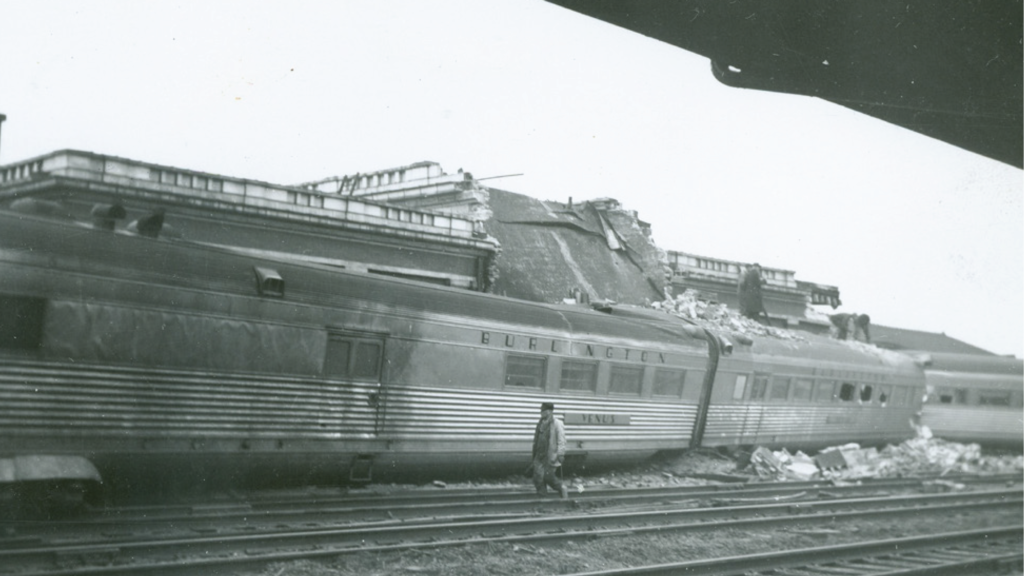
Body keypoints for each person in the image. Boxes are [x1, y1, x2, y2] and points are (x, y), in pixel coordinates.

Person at [531, 402, 567, 498]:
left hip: (550, 455)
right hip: (539, 455)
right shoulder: (540, 423)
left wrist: (561, 453)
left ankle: (562, 489)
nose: (542, 413)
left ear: (550, 412)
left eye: (544, 411)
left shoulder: (557, 423)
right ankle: (542, 497)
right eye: (541, 411)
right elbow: (536, 438)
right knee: (537, 477)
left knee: (549, 477)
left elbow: (561, 440)